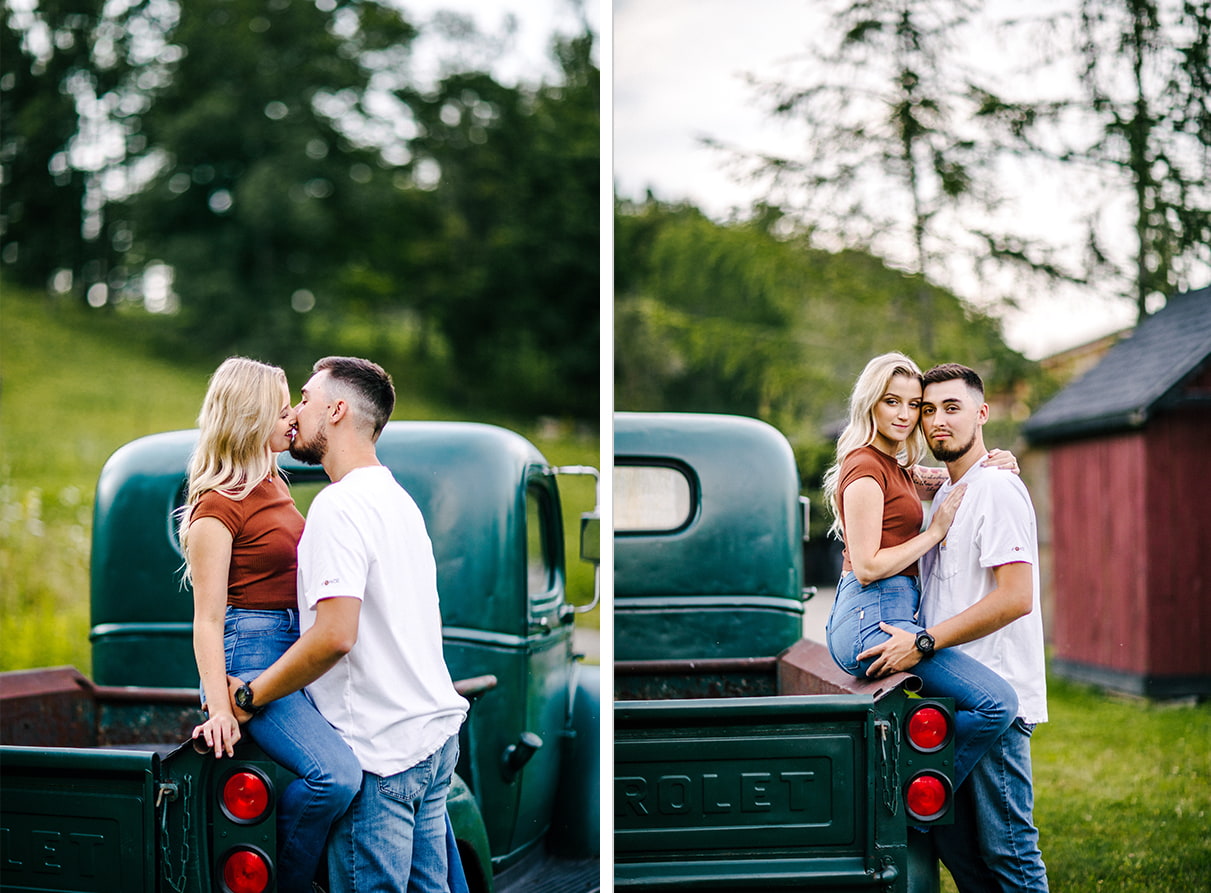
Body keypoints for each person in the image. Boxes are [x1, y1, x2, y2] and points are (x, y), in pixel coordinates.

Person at [226, 356, 470, 893]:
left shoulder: (338, 507)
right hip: (432, 742)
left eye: (306, 399)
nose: (293, 412)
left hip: (382, 754)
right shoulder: (399, 500)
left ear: (336, 410)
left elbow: (336, 635)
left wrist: (249, 696)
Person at [858, 363, 1049, 891]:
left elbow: (1016, 598)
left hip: (996, 700)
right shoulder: (948, 491)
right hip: (953, 703)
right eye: (927, 410)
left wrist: (923, 643)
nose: (936, 420)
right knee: (959, 852)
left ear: (982, 414)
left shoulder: (998, 490)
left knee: (1009, 853)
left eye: (952, 408)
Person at [181, 357, 362, 893]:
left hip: (293, 647)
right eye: (281, 409)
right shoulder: (215, 508)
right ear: (248, 416)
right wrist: (220, 707)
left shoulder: (274, 481)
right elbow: (208, 619)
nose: (292, 419)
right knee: (335, 777)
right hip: (251, 654)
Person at [822, 352, 1020, 790]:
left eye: (915, 405)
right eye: (892, 401)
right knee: (998, 703)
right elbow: (869, 565)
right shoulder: (865, 466)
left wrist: (999, 459)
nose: (906, 414)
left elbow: (955, 474)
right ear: (871, 403)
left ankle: (917, 791)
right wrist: (935, 531)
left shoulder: (897, 467)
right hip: (871, 619)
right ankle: (912, 794)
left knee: (969, 705)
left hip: (883, 616)